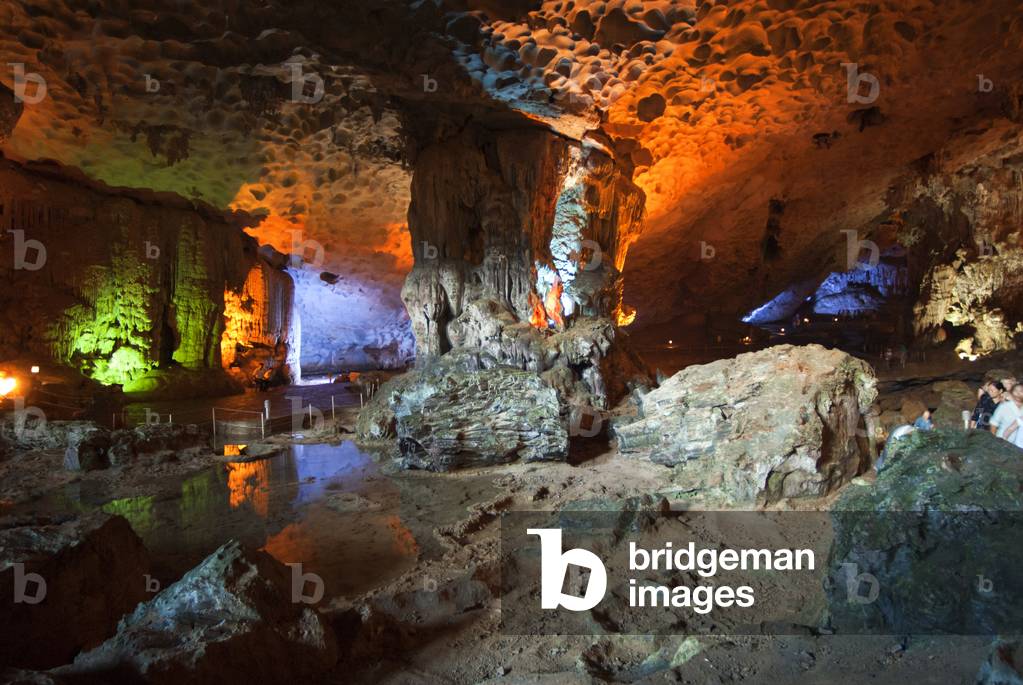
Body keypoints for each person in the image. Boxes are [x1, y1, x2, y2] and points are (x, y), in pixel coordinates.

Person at [990, 383, 1023, 448]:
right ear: (1011, 392)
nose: (1018, 393)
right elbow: (993, 425)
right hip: (1002, 443)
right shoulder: (1004, 406)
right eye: (1016, 391)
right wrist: (994, 442)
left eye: (1021, 391)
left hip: (1020, 446)